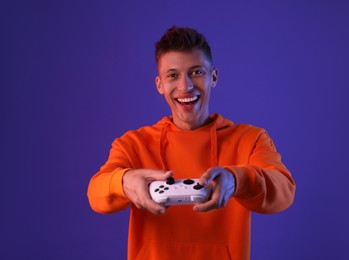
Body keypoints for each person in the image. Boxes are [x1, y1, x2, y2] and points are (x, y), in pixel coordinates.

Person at [87, 26, 296, 260]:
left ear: (213, 77)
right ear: (159, 84)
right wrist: (124, 181)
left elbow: (284, 191)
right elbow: (96, 194)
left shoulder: (250, 139)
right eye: (173, 75)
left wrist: (237, 180)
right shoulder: (132, 144)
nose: (185, 86)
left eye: (196, 72)